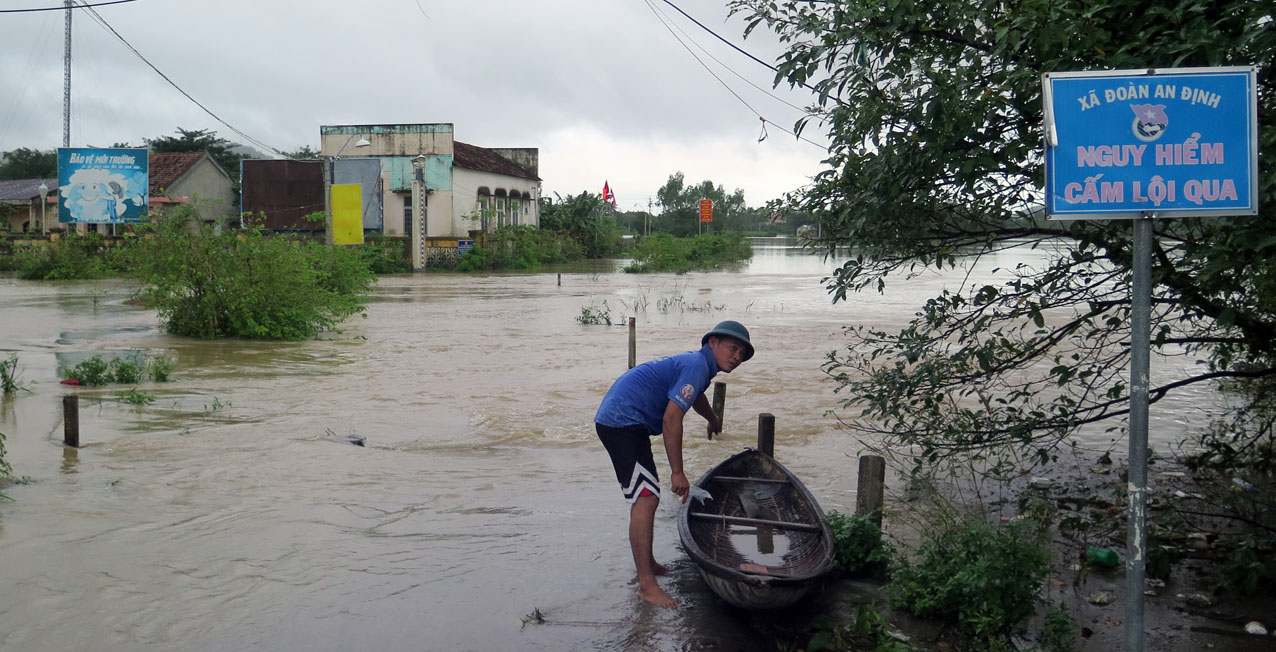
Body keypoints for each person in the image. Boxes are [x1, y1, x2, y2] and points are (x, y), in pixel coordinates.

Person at [594, 320, 755, 608]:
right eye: (733, 348)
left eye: (742, 353)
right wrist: (678, 472)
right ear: (712, 343)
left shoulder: (699, 367)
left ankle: (649, 566)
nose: (737, 357)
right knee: (646, 499)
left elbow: (696, 395)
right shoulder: (696, 365)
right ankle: (647, 585)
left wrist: (711, 418)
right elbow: (671, 418)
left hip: (630, 422)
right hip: (621, 422)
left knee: (647, 497)